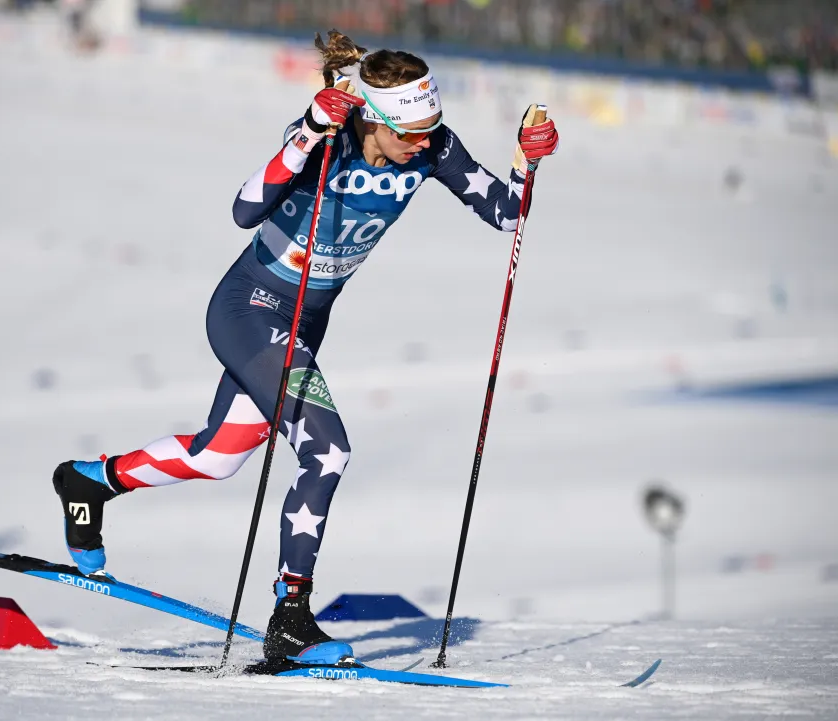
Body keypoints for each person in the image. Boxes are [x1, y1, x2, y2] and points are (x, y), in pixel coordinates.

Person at [50, 29, 559, 665]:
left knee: (220, 457)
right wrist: (309, 133)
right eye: (410, 133)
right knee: (327, 450)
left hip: (303, 322)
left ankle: (90, 481)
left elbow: (508, 214)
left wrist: (525, 160)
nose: (423, 143)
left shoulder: (434, 147)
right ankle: (291, 616)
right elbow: (243, 209)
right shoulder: (328, 137)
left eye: (431, 128)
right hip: (250, 309)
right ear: (373, 120)